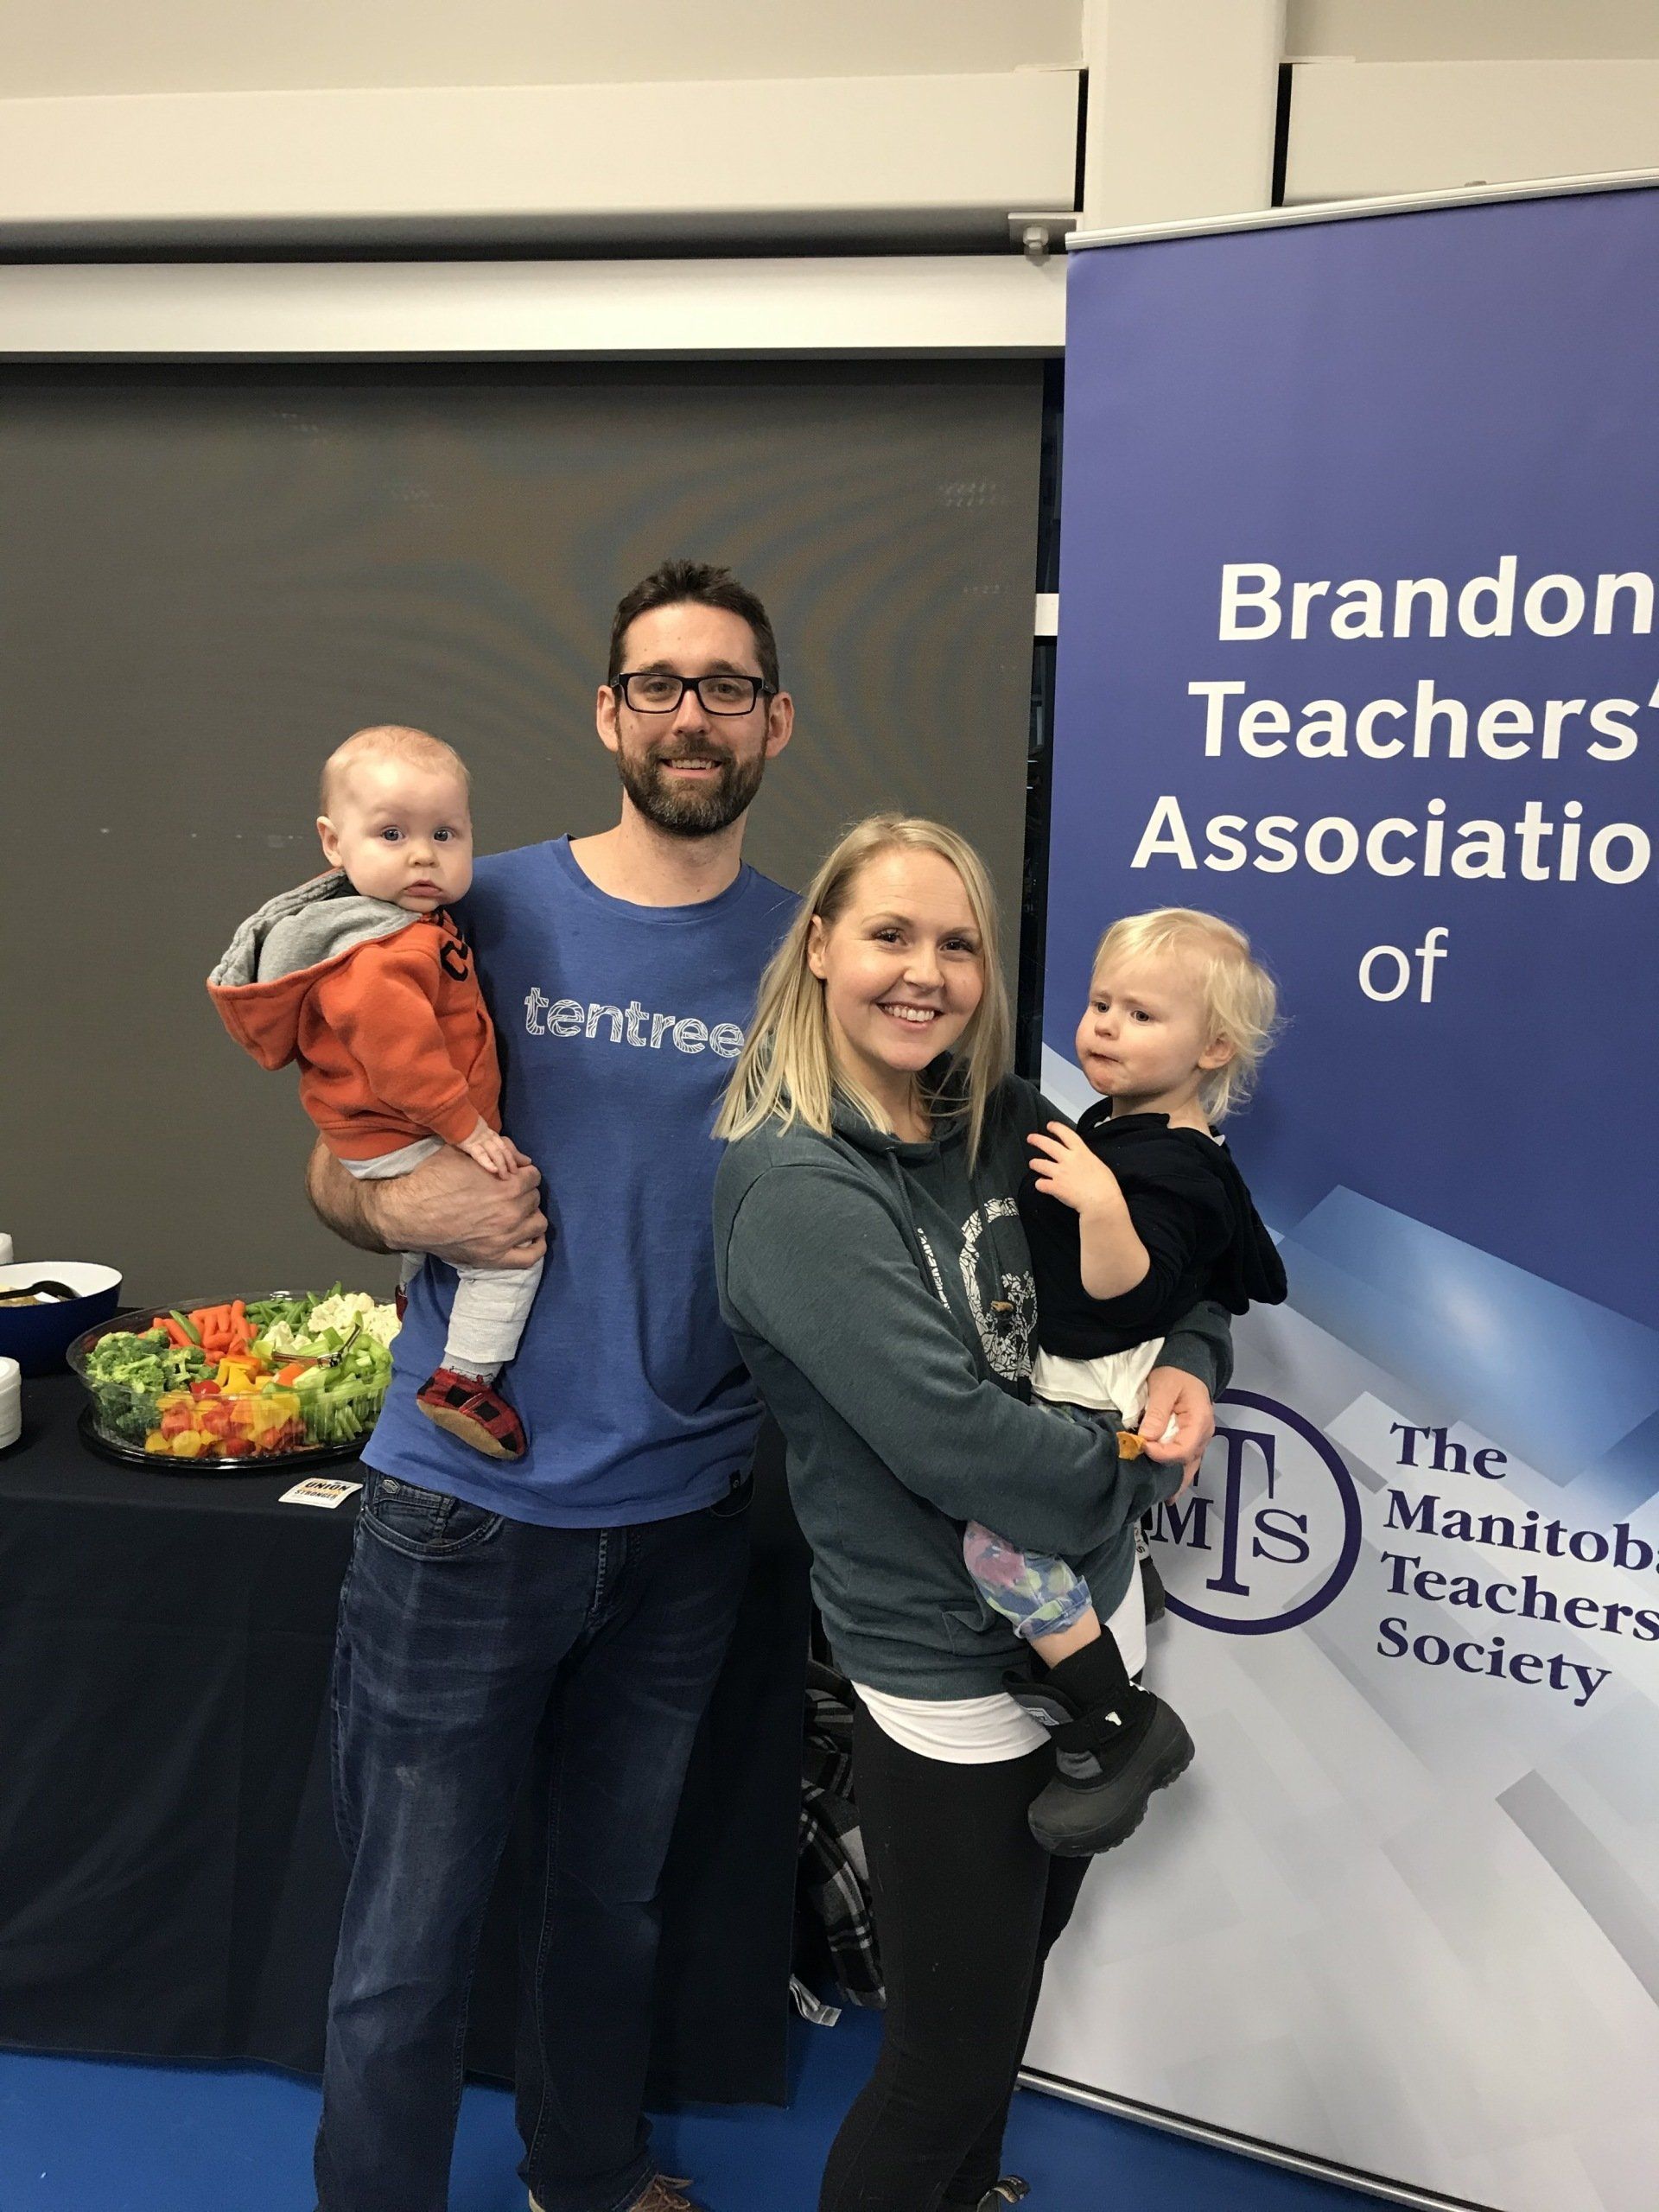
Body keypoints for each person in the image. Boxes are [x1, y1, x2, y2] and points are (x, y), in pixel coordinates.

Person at [302, 562, 795, 2212]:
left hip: (686, 1518)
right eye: (658, 683)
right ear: (607, 713)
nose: (690, 715)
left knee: (612, 1908)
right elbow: (335, 1163)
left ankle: (583, 2175)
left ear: (775, 723)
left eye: (726, 687)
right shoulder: (464, 909)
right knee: (403, 1941)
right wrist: (399, 1212)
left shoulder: (808, 956)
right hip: (465, 1513)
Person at [711, 815, 1231, 2212]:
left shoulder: (1003, 1118)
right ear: (820, 946)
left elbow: (1175, 1260)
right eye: (889, 934)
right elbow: (965, 1448)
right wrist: (1138, 1459)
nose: (925, 972)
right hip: (948, 1665)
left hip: (1092, 1614)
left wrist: (1193, 1357)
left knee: (1011, 1998)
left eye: (958, 944)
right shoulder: (794, 1184)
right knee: (944, 2060)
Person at [963, 906, 1287, 1858]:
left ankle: (1113, 1717)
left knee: (993, 1549)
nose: (1106, 1026)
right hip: (1082, 1374)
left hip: (1093, 1387)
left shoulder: (1177, 1165)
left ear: (1213, 1048)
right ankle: (1122, 1559)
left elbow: (1131, 1288)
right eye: (1101, 1003)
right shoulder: (1121, 1120)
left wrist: (1102, 1204)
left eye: (1142, 1015)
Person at [208, 724, 542, 1459]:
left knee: (446, 1227)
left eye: (445, 834)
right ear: (333, 843)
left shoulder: (406, 926)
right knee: (510, 1248)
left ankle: (411, 1295)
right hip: (406, 1129)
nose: (423, 855)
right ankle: (465, 1378)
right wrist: (471, 1132)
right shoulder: (376, 956)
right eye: (392, 834)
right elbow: (404, 1065)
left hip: (391, 1130)